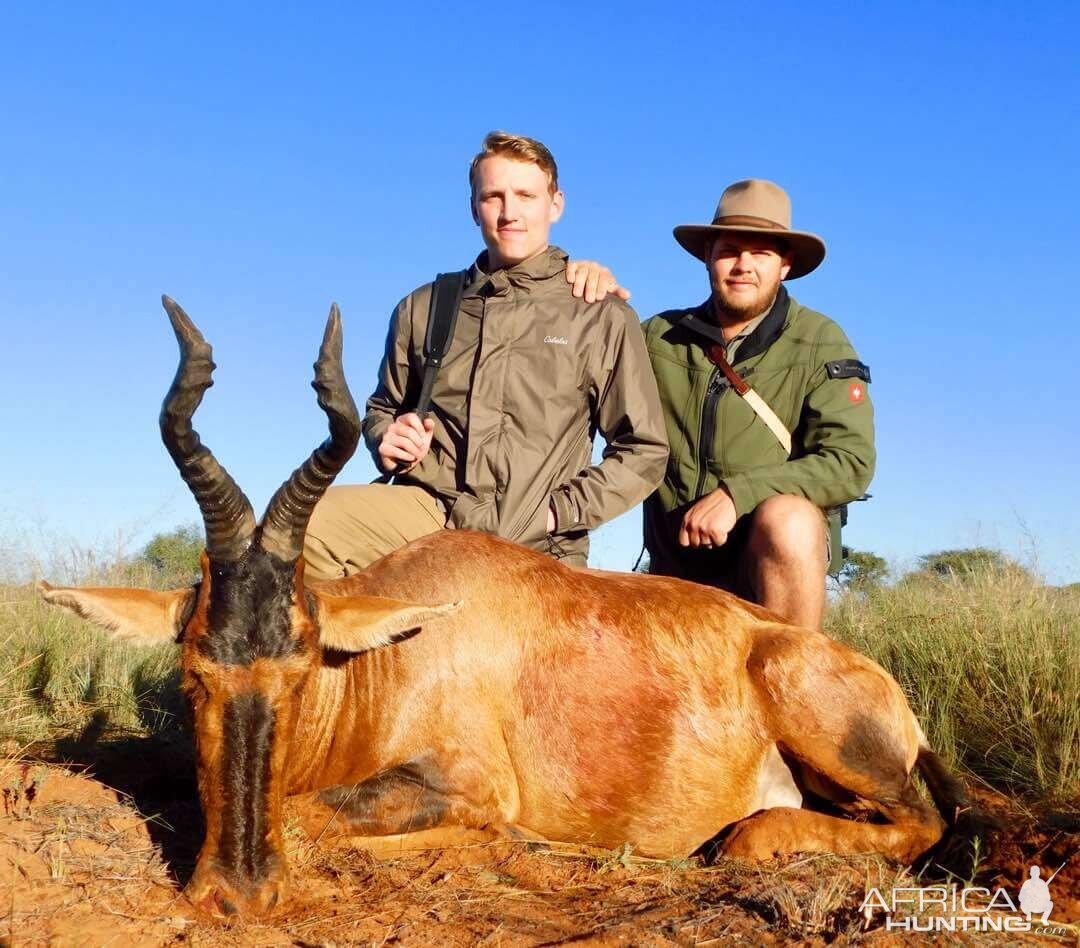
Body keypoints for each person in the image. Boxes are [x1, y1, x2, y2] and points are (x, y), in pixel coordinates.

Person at [304, 132, 668, 577]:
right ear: (474, 206)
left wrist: (558, 513)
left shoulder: (599, 314)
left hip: (541, 539)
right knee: (305, 529)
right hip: (431, 516)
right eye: (493, 196)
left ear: (556, 205)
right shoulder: (424, 306)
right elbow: (384, 407)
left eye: (525, 196)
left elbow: (644, 450)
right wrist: (386, 437)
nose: (510, 212)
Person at [642, 179, 875, 629]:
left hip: (766, 564)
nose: (742, 266)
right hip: (674, 568)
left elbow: (850, 461)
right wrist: (585, 283)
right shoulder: (656, 337)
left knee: (789, 519)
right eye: (729, 249)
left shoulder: (820, 340)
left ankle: (793, 684)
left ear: (785, 264)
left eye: (761, 254)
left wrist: (737, 495)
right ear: (708, 254)